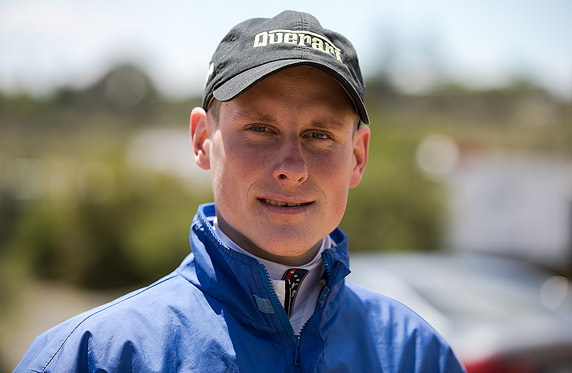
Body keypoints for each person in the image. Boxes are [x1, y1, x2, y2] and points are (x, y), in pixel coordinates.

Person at [15, 10, 464, 372]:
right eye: (260, 129)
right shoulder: (97, 357)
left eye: (319, 135)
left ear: (359, 156)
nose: (291, 169)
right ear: (200, 140)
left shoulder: (415, 354)